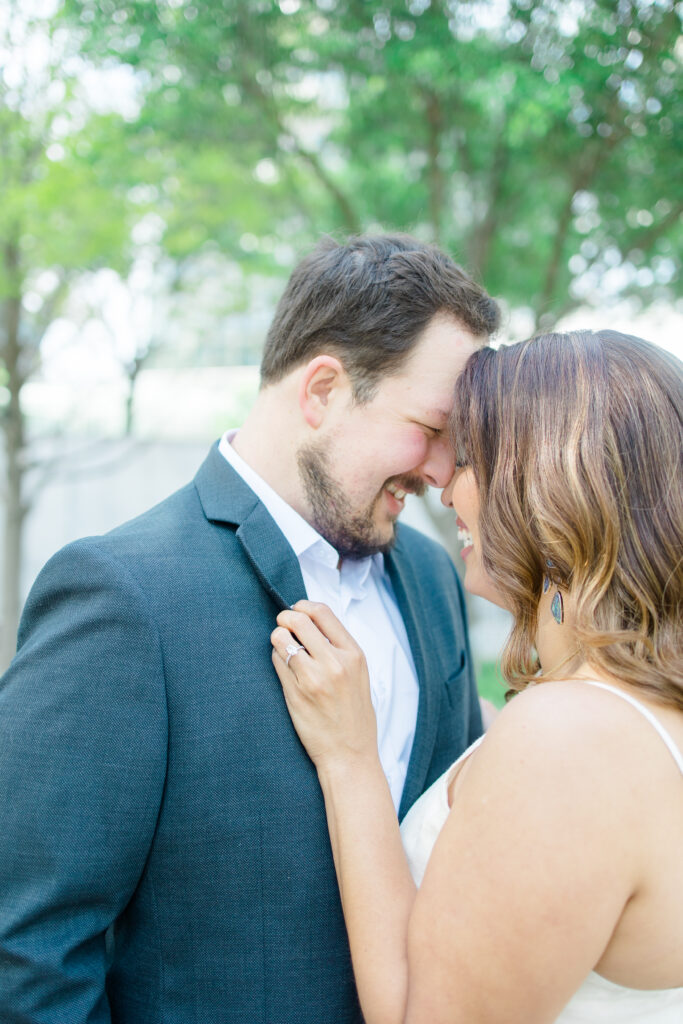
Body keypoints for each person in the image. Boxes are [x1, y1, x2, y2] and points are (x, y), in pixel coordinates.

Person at [0, 234, 499, 1022]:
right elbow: (29, 947)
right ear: (323, 390)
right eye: (429, 427)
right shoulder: (121, 595)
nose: (442, 472)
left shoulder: (434, 580)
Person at [271, 329, 683, 1024]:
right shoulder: (629, 714)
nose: (443, 484)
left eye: (467, 459)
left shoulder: (569, 742)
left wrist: (350, 761)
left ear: (550, 484)